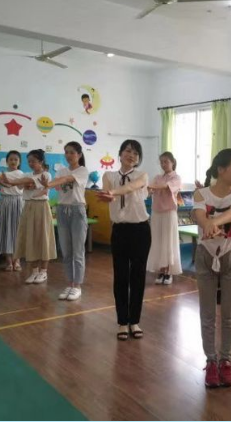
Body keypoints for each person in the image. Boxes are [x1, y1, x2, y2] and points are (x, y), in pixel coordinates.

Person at [193, 148, 231, 388]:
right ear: (221, 169)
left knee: (229, 314)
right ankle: (211, 361)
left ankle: (226, 361)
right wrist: (206, 223)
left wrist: (212, 223)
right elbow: (198, 215)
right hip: (205, 256)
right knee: (207, 314)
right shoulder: (201, 194)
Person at [97, 140, 151, 341]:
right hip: (119, 230)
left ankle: (134, 321)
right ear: (120, 154)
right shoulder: (109, 176)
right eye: (128, 151)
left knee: (138, 276)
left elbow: (131, 187)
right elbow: (107, 193)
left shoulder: (141, 175)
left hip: (140, 230)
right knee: (120, 276)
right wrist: (108, 195)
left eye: (136, 153)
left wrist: (113, 192)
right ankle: (122, 322)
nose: (131, 155)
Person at [39, 142, 89, 301]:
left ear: (79, 155)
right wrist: (46, 187)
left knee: (78, 252)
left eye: (72, 152)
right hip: (62, 210)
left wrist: (48, 184)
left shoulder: (82, 171)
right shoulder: (61, 170)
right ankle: (70, 284)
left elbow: (66, 179)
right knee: (66, 252)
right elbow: (58, 185)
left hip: (77, 211)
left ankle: (77, 286)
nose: (68, 155)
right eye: (66, 152)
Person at [1, 149, 57, 285]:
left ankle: (43, 272)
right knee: (30, 238)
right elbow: (22, 185)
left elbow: (30, 183)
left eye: (33, 161)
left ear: (41, 161)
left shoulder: (46, 175)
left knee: (43, 238)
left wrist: (17, 182)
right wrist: (18, 183)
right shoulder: (27, 174)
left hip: (42, 206)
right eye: (29, 161)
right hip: (28, 206)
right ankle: (34, 271)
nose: (31, 164)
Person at [147, 152, 182, 285]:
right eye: (161, 162)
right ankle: (161, 270)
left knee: (168, 242)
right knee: (158, 241)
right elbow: (150, 190)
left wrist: (150, 186)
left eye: (166, 161)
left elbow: (166, 187)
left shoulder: (176, 178)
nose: (163, 164)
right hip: (156, 212)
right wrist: (148, 189)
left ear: (172, 162)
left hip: (169, 213)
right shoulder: (157, 177)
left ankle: (168, 272)